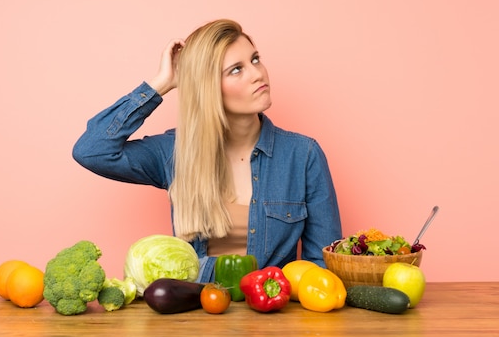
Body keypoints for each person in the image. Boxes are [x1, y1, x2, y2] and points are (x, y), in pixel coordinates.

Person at [72, 19, 342, 282]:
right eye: (236, 69)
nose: (258, 73)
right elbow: (92, 150)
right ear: (207, 87)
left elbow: (323, 262)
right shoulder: (176, 151)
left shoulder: (303, 155)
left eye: (255, 59)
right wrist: (162, 83)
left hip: (269, 314)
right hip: (196, 314)